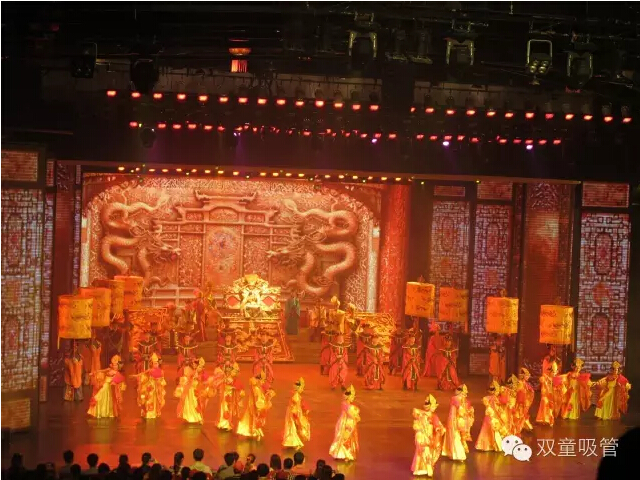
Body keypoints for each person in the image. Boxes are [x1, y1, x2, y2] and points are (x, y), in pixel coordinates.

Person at [411, 394, 446, 477]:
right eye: (434, 406)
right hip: (424, 437)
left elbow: (437, 425)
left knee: (421, 452)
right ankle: (427, 469)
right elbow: (416, 425)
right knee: (425, 452)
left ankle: (419, 469)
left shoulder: (425, 415)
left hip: (424, 436)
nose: (434, 408)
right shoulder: (425, 415)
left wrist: (438, 429)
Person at [236, 370, 276, 441]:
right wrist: (264, 403)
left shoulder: (257, 387)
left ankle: (255, 432)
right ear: (259, 380)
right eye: (262, 380)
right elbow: (257, 398)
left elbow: (260, 397)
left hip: (255, 405)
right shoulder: (256, 388)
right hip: (255, 406)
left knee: (253, 420)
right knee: (255, 420)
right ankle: (258, 433)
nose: (263, 382)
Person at [442, 384, 474, 462]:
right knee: (455, 436)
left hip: (458, 420)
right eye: (464, 391)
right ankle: (458, 455)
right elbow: (461, 410)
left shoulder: (463, 400)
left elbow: (464, 410)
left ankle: (455, 454)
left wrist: (469, 411)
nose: (466, 393)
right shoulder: (456, 399)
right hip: (454, 420)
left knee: (456, 436)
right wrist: (467, 412)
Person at [475, 381, 510, 452]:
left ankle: (488, 445)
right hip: (492, 416)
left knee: (489, 430)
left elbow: (503, 403)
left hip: (492, 416)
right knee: (491, 429)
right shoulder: (492, 398)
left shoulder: (488, 398)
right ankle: (493, 445)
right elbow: (503, 403)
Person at [329, 385, 361, 462]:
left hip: (344, 422)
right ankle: (346, 454)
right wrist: (356, 416)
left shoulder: (346, 404)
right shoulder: (348, 406)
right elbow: (351, 415)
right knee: (345, 438)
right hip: (346, 423)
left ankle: (342, 454)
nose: (353, 397)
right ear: (348, 396)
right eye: (352, 396)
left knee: (343, 438)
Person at [136, 352, 167, 419]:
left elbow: (162, 379)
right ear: (152, 364)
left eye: (157, 363)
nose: (156, 364)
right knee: (150, 399)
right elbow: (143, 374)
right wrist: (137, 376)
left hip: (158, 387)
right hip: (151, 387)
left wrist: (160, 383)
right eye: (155, 363)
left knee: (157, 400)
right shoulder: (150, 370)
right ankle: (149, 412)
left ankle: (156, 412)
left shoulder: (161, 371)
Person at [283, 377, 311, 449]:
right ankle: (291, 442)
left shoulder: (296, 395)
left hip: (293, 413)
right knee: (292, 427)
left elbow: (298, 405)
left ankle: (296, 443)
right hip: (293, 413)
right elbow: (295, 407)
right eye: (301, 388)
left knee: (292, 428)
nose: (302, 390)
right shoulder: (296, 396)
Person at [217, 363, 245, 431]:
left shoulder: (234, 379)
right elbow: (223, 385)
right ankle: (223, 424)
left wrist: (237, 389)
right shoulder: (226, 378)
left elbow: (239, 386)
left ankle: (228, 424)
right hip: (225, 395)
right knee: (224, 408)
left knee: (229, 409)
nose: (234, 373)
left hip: (231, 396)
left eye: (235, 372)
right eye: (233, 372)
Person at [536, 361, 560, 426]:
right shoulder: (545, 378)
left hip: (551, 395)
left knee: (550, 408)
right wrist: (543, 379)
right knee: (545, 405)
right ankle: (544, 420)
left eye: (555, 372)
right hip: (545, 395)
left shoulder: (553, 379)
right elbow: (541, 379)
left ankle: (549, 420)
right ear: (550, 372)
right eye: (553, 372)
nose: (554, 374)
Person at [515, 368, 534, 432]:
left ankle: (524, 425)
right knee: (520, 414)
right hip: (520, 402)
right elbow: (517, 392)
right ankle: (519, 426)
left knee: (523, 414)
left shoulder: (525, 383)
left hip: (524, 402)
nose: (528, 377)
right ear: (523, 376)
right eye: (527, 376)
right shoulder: (520, 383)